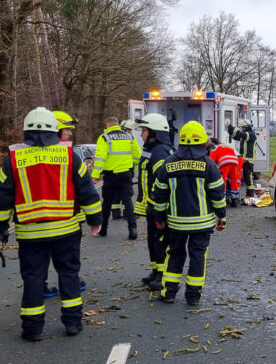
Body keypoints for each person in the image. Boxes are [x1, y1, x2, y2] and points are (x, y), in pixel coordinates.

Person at [0, 107, 103, 341]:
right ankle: (72, 322)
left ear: (26, 131)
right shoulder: (69, 155)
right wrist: (95, 220)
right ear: (55, 130)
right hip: (66, 230)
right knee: (69, 275)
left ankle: (32, 328)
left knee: (33, 278)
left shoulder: (13, 159)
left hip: (30, 233)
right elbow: (86, 190)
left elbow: (0, 196)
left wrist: (0, 227)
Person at [150, 121, 227, 305]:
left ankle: (169, 293)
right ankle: (193, 297)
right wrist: (222, 216)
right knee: (198, 257)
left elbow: (160, 195)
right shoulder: (209, 165)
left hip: (176, 223)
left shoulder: (168, 163)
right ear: (202, 142)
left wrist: (159, 218)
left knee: (174, 255)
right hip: (202, 224)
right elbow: (218, 194)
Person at [45, 110, 86, 298]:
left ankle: (40, 286)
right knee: (68, 258)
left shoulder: (26, 154)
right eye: (67, 129)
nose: (70, 133)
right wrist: (94, 216)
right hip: (66, 218)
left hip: (35, 219)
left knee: (39, 257)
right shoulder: (68, 154)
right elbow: (84, 186)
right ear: (56, 130)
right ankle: (70, 284)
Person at [133, 113, 174, 290]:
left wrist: (160, 211)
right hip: (151, 205)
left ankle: (162, 275)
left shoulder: (160, 152)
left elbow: (162, 183)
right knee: (153, 241)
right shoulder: (151, 149)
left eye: (144, 130)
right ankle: (156, 271)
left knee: (160, 242)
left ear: (153, 132)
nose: (141, 134)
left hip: (159, 207)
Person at [92, 117, 140, 239]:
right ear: (118, 125)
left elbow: (100, 159)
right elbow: (137, 156)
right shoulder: (129, 137)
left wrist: (95, 176)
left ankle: (103, 229)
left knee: (107, 203)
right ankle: (133, 229)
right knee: (128, 202)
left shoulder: (104, 138)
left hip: (111, 176)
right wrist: (133, 169)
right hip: (126, 174)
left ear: (107, 126)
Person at [227, 118, 257, 199]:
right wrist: (229, 129)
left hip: (249, 159)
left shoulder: (251, 134)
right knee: (243, 176)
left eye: (243, 127)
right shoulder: (244, 135)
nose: (242, 129)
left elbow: (240, 134)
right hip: (243, 159)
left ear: (247, 127)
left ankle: (250, 195)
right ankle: (248, 195)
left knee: (248, 178)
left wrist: (231, 126)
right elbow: (235, 136)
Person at [209, 137, 242, 207]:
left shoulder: (215, 148)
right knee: (234, 181)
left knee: (222, 180)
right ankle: (234, 200)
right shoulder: (226, 145)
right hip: (235, 162)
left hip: (225, 163)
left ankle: (223, 199)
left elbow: (210, 161)